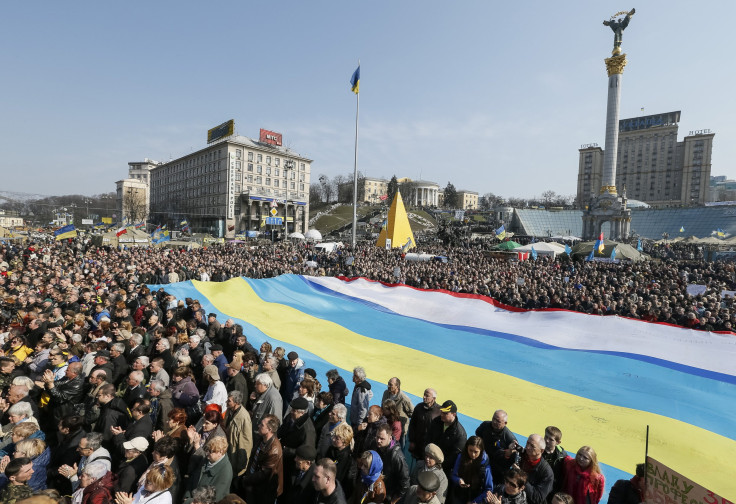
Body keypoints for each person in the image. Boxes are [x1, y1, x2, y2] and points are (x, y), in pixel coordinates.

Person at [493, 435, 553, 504]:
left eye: (532, 446)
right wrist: (507, 453)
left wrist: (522, 477)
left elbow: (538, 498)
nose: (527, 447)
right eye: (527, 443)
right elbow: (496, 461)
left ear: (541, 451)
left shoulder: (546, 472)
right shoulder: (520, 454)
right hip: (505, 495)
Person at [241, 415, 284, 504]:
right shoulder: (261, 438)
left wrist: (246, 479)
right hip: (252, 481)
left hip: (262, 489)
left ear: (270, 430)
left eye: (262, 425)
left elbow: (264, 474)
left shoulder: (274, 449)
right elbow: (253, 459)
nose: (259, 425)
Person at [183, 436, 233, 504]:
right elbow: (193, 478)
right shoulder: (207, 460)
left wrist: (191, 501)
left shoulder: (225, 472)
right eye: (207, 450)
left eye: (211, 451)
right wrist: (187, 497)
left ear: (220, 452)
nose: (207, 453)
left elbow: (214, 498)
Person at [476, 410, 518, 483]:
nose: (494, 422)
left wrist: (507, 452)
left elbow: (511, 461)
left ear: (505, 423)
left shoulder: (510, 439)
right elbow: (478, 434)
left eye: (498, 421)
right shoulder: (485, 425)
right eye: (493, 419)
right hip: (482, 460)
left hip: (497, 469)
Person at [450, 436, 493, 504]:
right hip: (459, 495)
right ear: (467, 447)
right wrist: (459, 480)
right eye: (470, 450)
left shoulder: (485, 466)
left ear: (481, 451)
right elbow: (453, 475)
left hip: (476, 498)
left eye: (476, 452)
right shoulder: (461, 457)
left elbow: (489, 489)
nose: (473, 454)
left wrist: (475, 501)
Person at [429, 400, 467, 477]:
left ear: (454, 414)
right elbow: (428, 438)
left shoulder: (460, 434)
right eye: (441, 412)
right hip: (429, 461)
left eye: (445, 413)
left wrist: (438, 464)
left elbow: (453, 457)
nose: (442, 414)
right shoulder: (436, 421)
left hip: (443, 470)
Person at [375, 423, 410, 504]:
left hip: (389, 496)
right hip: (379, 492)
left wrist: (393, 500)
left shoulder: (397, 456)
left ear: (390, 438)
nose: (378, 440)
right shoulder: (378, 447)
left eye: (382, 438)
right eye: (377, 437)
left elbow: (405, 482)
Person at [224, 390, 252, 479]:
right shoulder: (229, 410)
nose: (226, 402)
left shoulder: (244, 417)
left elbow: (246, 442)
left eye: (229, 401)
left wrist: (241, 463)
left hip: (234, 455)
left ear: (236, 402)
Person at [408, 388, 440, 461]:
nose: (424, 397)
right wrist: (412, 441)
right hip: (418, 445)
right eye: (424, 394)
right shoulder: (418, 407)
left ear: (433, 398)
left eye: (427, 395)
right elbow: (412, 425)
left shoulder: (439, 411)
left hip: (430, 447)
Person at [325, 423, 354, 498]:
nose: (333, 439)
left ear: (345, 441)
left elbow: (348, 484)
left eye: (337, 438)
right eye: (334, 436)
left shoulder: (349, 460)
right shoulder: (331, 450)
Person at [541, 426, 565, 497]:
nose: (547, 440)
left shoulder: (562, 456)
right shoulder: (538, 450)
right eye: (546, 437)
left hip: (553, 490)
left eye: (551, 439)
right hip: (539, 486)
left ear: (558, 442)